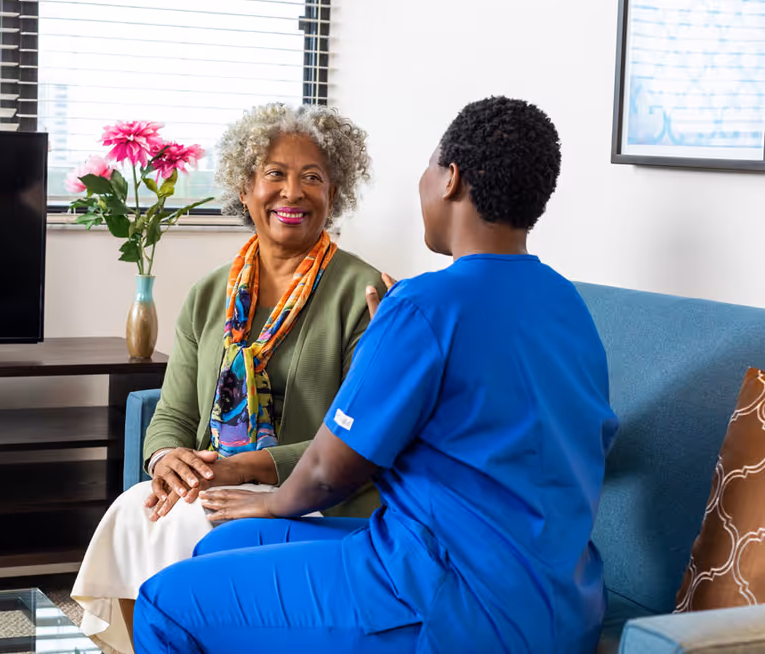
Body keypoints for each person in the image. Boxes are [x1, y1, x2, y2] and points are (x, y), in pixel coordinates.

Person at [133, 95, 620, 654]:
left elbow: (328, 470)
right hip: (560, 597)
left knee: (163, 604)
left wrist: (268, 500)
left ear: (450, 179)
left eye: (429, 166)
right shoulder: (566, 303)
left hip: (450, 595)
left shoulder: (423, 305)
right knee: (226, 545)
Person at [72, 103, 387, 654]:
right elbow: (173, 412)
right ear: (245, 189)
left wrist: (239, 468)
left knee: (198, 528)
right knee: (134, 513)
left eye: (312, 177)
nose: (293, 192)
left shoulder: (363, 294)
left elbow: (358, 438)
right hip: (213, 478)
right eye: (275, 174)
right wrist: (167, 459)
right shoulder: (210, 292)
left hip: (311, 495)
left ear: (334, 193)